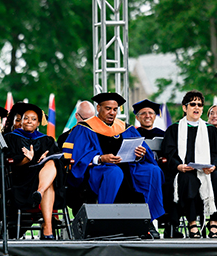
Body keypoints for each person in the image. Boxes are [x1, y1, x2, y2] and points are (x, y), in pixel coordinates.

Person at [62, 92, 164, 237]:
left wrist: (140, 155)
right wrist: (101, 158)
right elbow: (77, 156)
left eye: (115, 109)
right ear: (99, 108)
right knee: (114, 172)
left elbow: (143, 154)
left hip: (129, 168)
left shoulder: (125, 128)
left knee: (153, 171)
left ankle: (148, 221)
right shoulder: (85, 128)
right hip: (98, 170)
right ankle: (105, 220)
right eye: (108, 108)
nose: (112, 112)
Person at [160, 91, 217, 239]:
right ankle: (192, 222)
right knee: (188, 180)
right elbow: (169, 153)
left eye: (200, 105)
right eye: (192, 104)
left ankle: (214, 222)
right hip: (184, 170)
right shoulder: (174, 129)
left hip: (206, 170)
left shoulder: (210, 129)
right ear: (184, 107)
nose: (197, 107)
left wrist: (213, 166)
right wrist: (178, 166)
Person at [5, 102, 62, 240]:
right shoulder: (10, 138)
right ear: (21, 121)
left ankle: (40, 194)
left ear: (38, 123)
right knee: (49, 184)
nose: (29, 121)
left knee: (51, 161)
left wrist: (47, 156)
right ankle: (47, 228)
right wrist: (26, 159)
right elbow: (9, 162)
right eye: (26, 118)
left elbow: (58, 156)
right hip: (23, 180)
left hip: (42, 177)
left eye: (34, 119)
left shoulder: (46, 140)